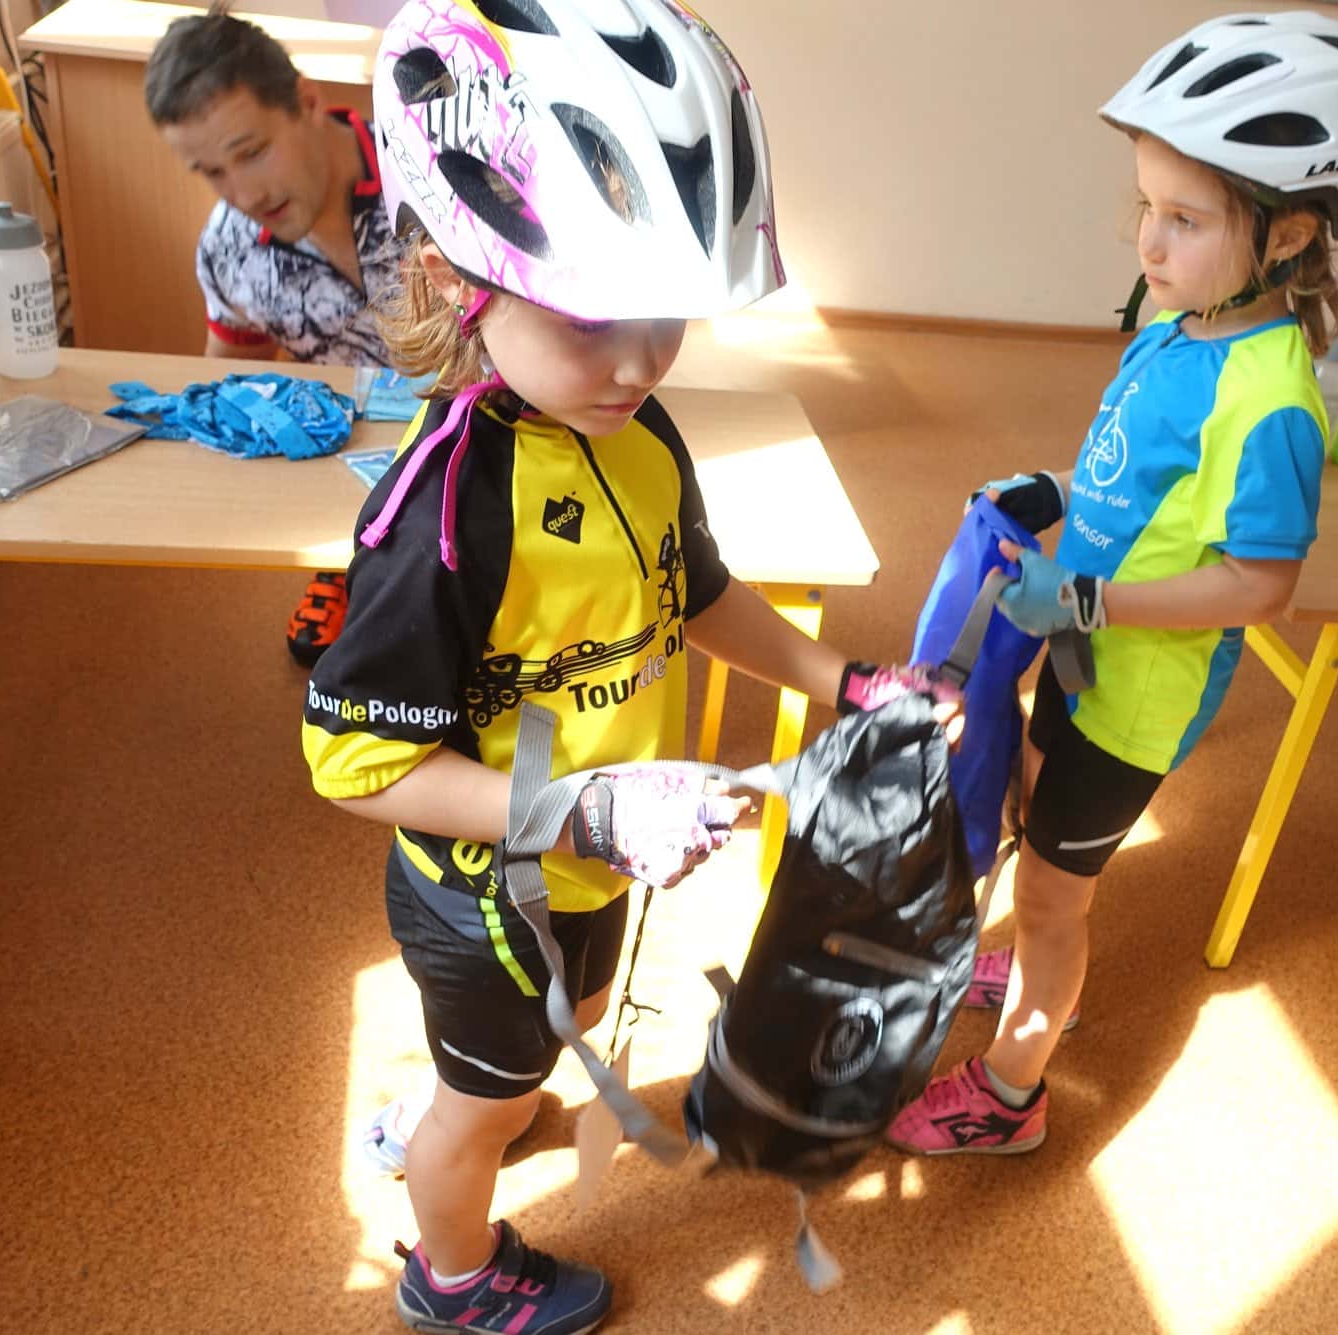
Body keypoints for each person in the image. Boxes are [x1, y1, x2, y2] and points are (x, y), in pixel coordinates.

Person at [302, 3, 950, 1331]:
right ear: (456, 279)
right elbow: (355, 763)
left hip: (591, 854)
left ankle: (482, 1091)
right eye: (595, 314)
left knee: (568, 1014)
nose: (642, 359)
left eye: (667, 312)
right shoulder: (443, 519)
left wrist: (844, 683)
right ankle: (450, 1272)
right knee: (481, 1103)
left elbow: (694, 592)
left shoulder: (636, 432)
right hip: (488, 890)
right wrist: (587, 809)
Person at [887, 10, 1338, 1156]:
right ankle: (1023, 953)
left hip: (1136, 700)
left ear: (1285, 235)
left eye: (1183, 219)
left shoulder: (1270, 401)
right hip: (1076, 646)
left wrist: (1088, 601)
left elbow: (1257, 588)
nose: (1147, 242)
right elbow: (1125, 469)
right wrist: (1052, 493)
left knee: (1054, 894)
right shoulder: (1176, 331)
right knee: (1028, 799)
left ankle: (1010, 1098)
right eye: (1144, 206)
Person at [144, 3, 398, 666]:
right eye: (212, 172)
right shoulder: (229, 249)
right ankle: (347, 559)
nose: (244, 194)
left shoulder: (432, 176)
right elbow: (233, 381)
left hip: (489, 444)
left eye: (252, 153)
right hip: (355, 461)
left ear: (307, 102)